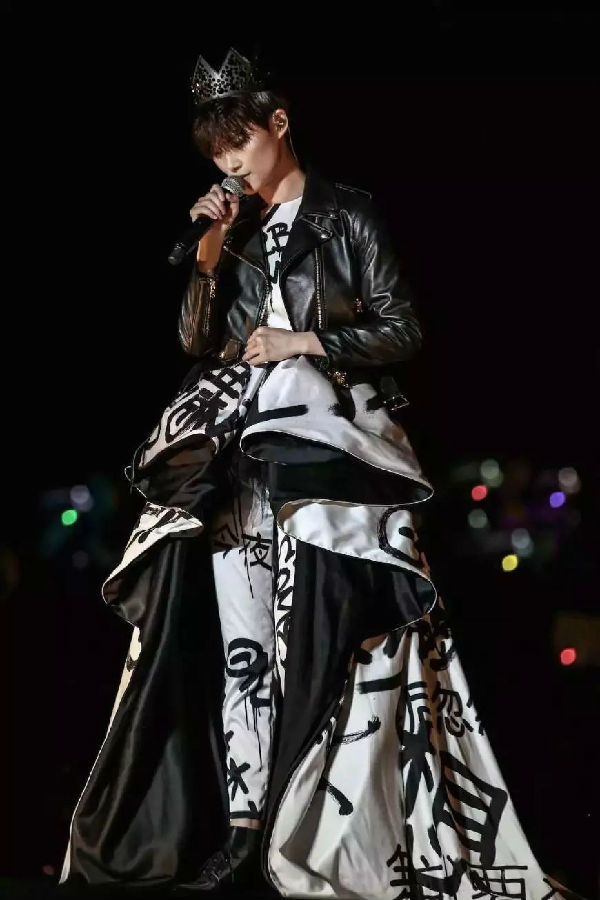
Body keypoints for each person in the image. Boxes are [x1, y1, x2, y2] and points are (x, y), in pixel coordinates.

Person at [58, 48, 582, 899]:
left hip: (325, 451)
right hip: (232, 454)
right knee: (241, 644)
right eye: (215, 150)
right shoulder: (230, 227)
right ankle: (242, 830)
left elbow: (402, 327)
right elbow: (194, 340)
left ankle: (315, 828)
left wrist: (302, 342)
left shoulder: (348, 215)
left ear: (279, 123)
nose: (230, 161)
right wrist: (210, 250)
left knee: (316, 641)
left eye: (239, 141)